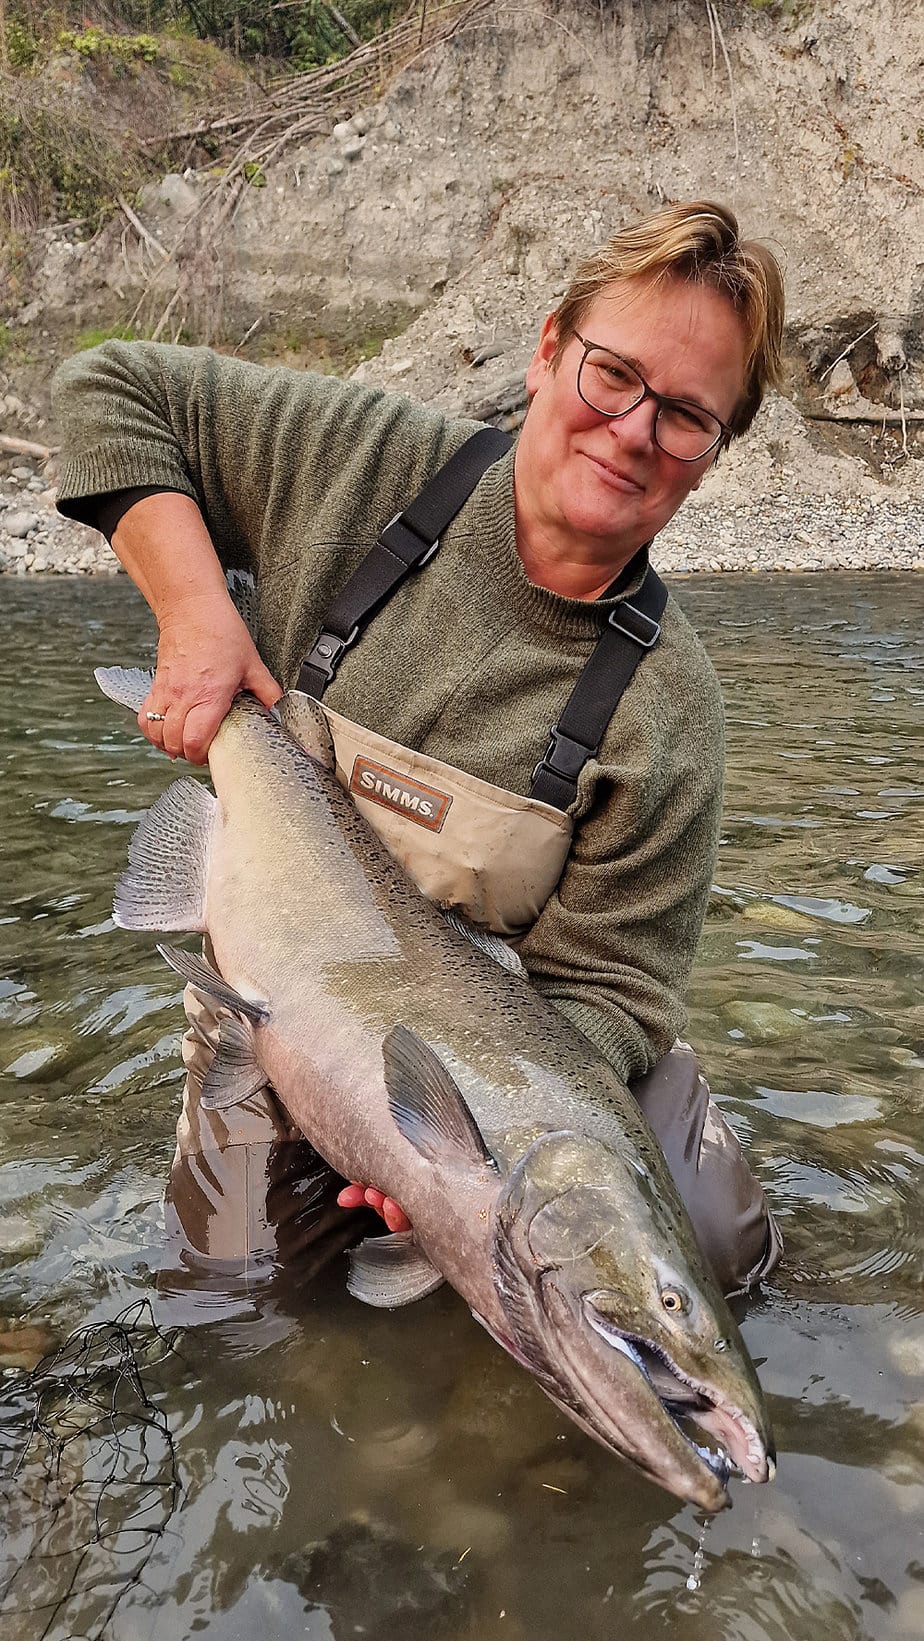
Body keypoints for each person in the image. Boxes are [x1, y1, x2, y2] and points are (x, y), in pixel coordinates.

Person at [53, 198, 784, 1301]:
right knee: (234, 1297)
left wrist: (452, 1140)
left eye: (687, 415)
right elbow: (108, 389)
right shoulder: (360, 460)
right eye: (614, 376)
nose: (635, 431)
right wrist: (199, 615)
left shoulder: (668, 712)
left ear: (714, 453)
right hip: (278, 994)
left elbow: (615, 993)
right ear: (547, 353)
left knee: (715, 1253)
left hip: (504, 1065)